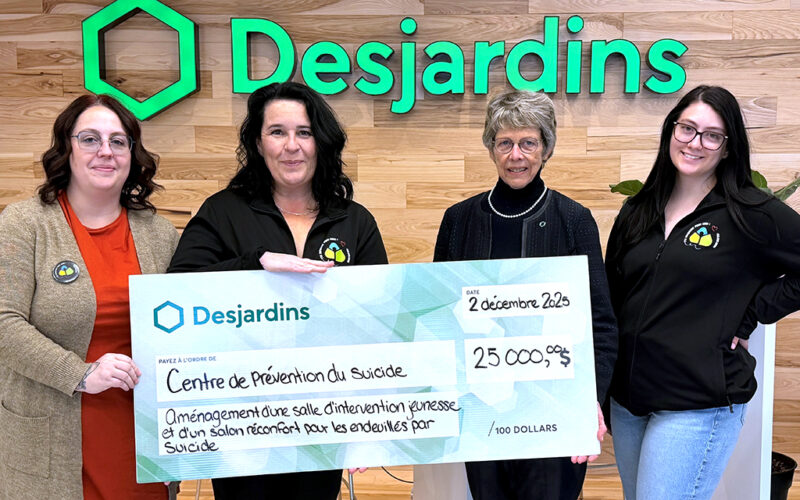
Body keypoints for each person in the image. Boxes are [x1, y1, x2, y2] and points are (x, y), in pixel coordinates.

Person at [167, 81, 388, 499]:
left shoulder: (354, 221)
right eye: (277, 132)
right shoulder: (223, 211)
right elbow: (177, 292)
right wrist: (255, 264)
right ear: (258, 142)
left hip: (325, 417)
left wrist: (368, 420)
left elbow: (377, 324)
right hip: (242, 420)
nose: (292, 146)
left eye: (304, 132)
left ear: (321, 142)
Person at [605, 85, 800, 499]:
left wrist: (753, 312)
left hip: (696, 403)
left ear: (728, 148)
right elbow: (612, 299)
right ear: (671, 130)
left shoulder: (750, 212)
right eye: (687, 128)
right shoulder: (637, 210)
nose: (695, 143)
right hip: (628, 403)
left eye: (712, 135)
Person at [432, 89, 618, 500]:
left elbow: (600, 323)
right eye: (505, 143)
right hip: (483, 409)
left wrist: (590, 398)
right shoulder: (459, 221)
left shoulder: (574, 220)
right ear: (491, 148)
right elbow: (442, 315)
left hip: (554, 409)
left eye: (528, 143)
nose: (516, 155)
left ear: (546, 148)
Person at [0, 94, 179, 499]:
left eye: (118, 141)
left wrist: (183, 437)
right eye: (90, 139)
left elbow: (184, 333)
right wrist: (80, 374)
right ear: (66, 148)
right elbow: (4, 325)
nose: (106, 151)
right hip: (53, 436)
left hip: (140, 437)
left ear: (132, 154)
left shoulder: (159, 233)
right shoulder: (24, 224)